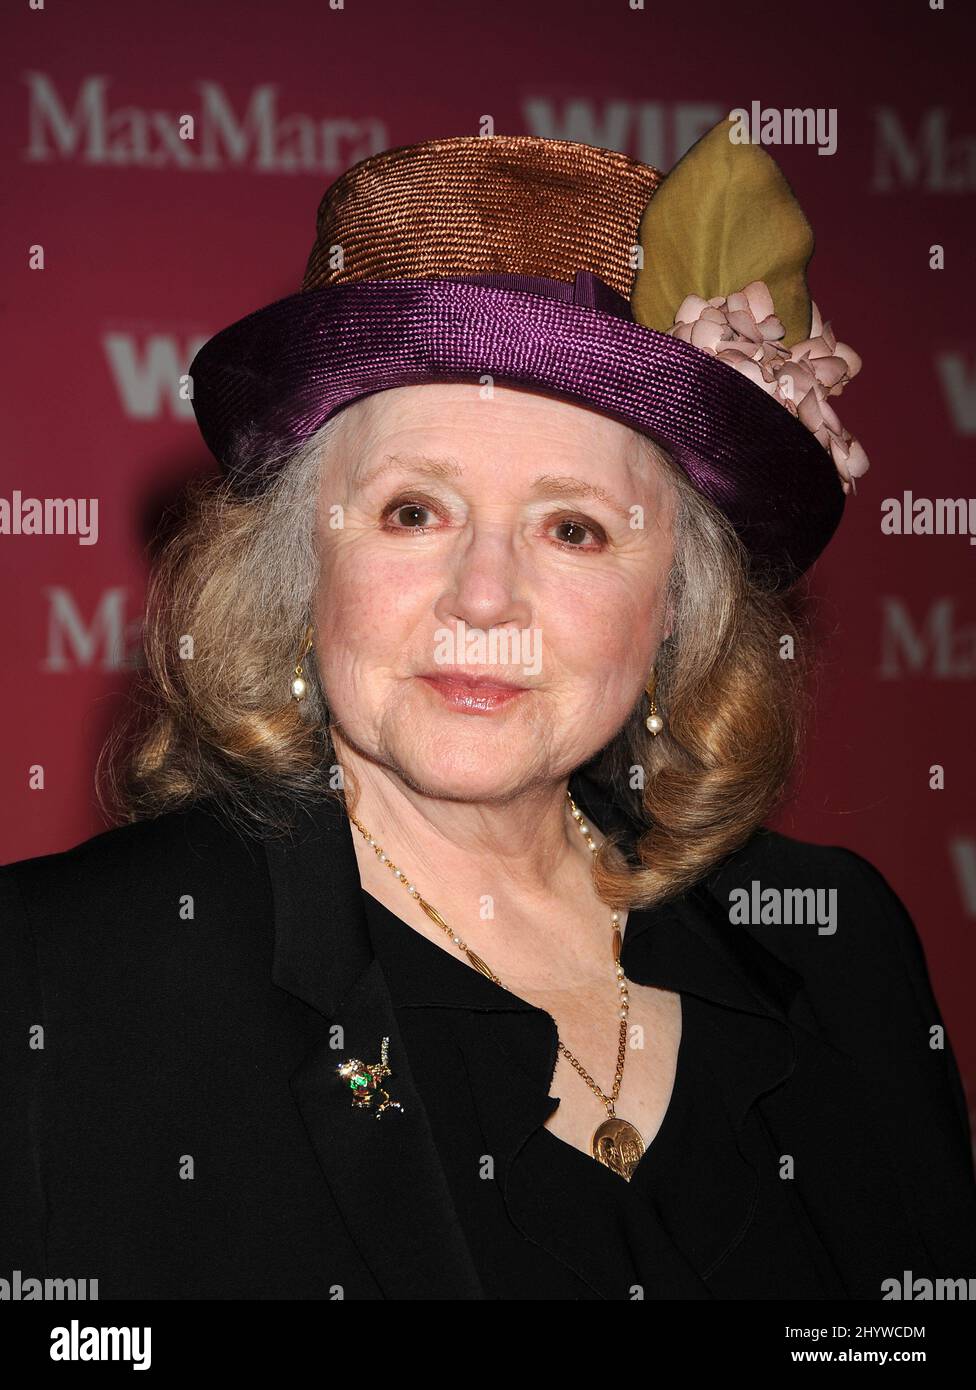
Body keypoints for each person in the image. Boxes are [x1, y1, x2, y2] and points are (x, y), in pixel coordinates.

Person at [2, 121, 974, 1301]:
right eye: (415, 511)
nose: (484, 597)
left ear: (677, 602)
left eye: (573, 528)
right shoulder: (64, 974)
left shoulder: (838, 944)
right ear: (301, 564)